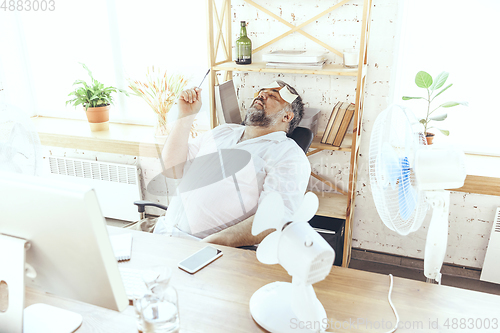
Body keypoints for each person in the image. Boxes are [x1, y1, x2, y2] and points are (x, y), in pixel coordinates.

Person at [153, 80, 311, 247]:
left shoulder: (288, 156)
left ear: (287, 116)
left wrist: (211, 244)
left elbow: (274, 217)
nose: (262, 95)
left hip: (209, 250)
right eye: (262, 91)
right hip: (162, 233)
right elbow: (171, 169)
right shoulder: (222, 131)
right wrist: (185, 116)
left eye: (273, 96)